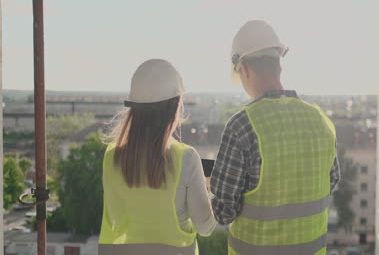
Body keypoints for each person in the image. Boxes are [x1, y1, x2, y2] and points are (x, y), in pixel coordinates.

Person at [210, 20, 341, 255]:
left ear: (245, 69)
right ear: (279, 67)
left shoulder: (242, 126)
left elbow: (223, 212)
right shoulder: (321, 121)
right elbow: (331, 182)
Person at [99, 59, 216, 255]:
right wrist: (210, 189)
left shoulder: (112, 157)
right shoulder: (186, 158)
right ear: (174, 108)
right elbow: (205, 227)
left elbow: (117, 216)